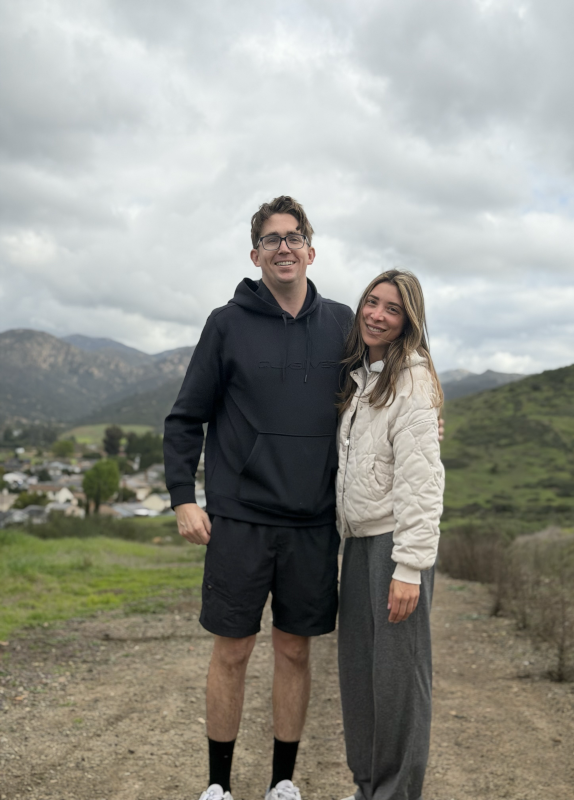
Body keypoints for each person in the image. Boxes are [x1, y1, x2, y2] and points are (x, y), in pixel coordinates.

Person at [163, 196, 354, 800]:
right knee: (233, 651)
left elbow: (381, 391)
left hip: (313, 522)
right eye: (272, 239)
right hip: (239, 518)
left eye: (294, 237)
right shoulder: (227, 323)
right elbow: (185, 418)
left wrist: (427, 414)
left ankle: (282, 782)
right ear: (256, 255)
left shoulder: (343, 323)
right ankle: (218, 786)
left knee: (294, 652)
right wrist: (182, 497)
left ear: (311, 251)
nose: (284, 247)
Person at [335, 270, 445, 800]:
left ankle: (396, 794)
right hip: (358, 543)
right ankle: (368, 788)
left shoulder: (413, 381)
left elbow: (422, 481)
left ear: (408, 322)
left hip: (395, 546)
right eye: (372, 302)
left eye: (392, 309)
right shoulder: (363, 378)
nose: (377, 314)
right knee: (359, 676)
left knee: (399, 682)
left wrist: (410, 567)